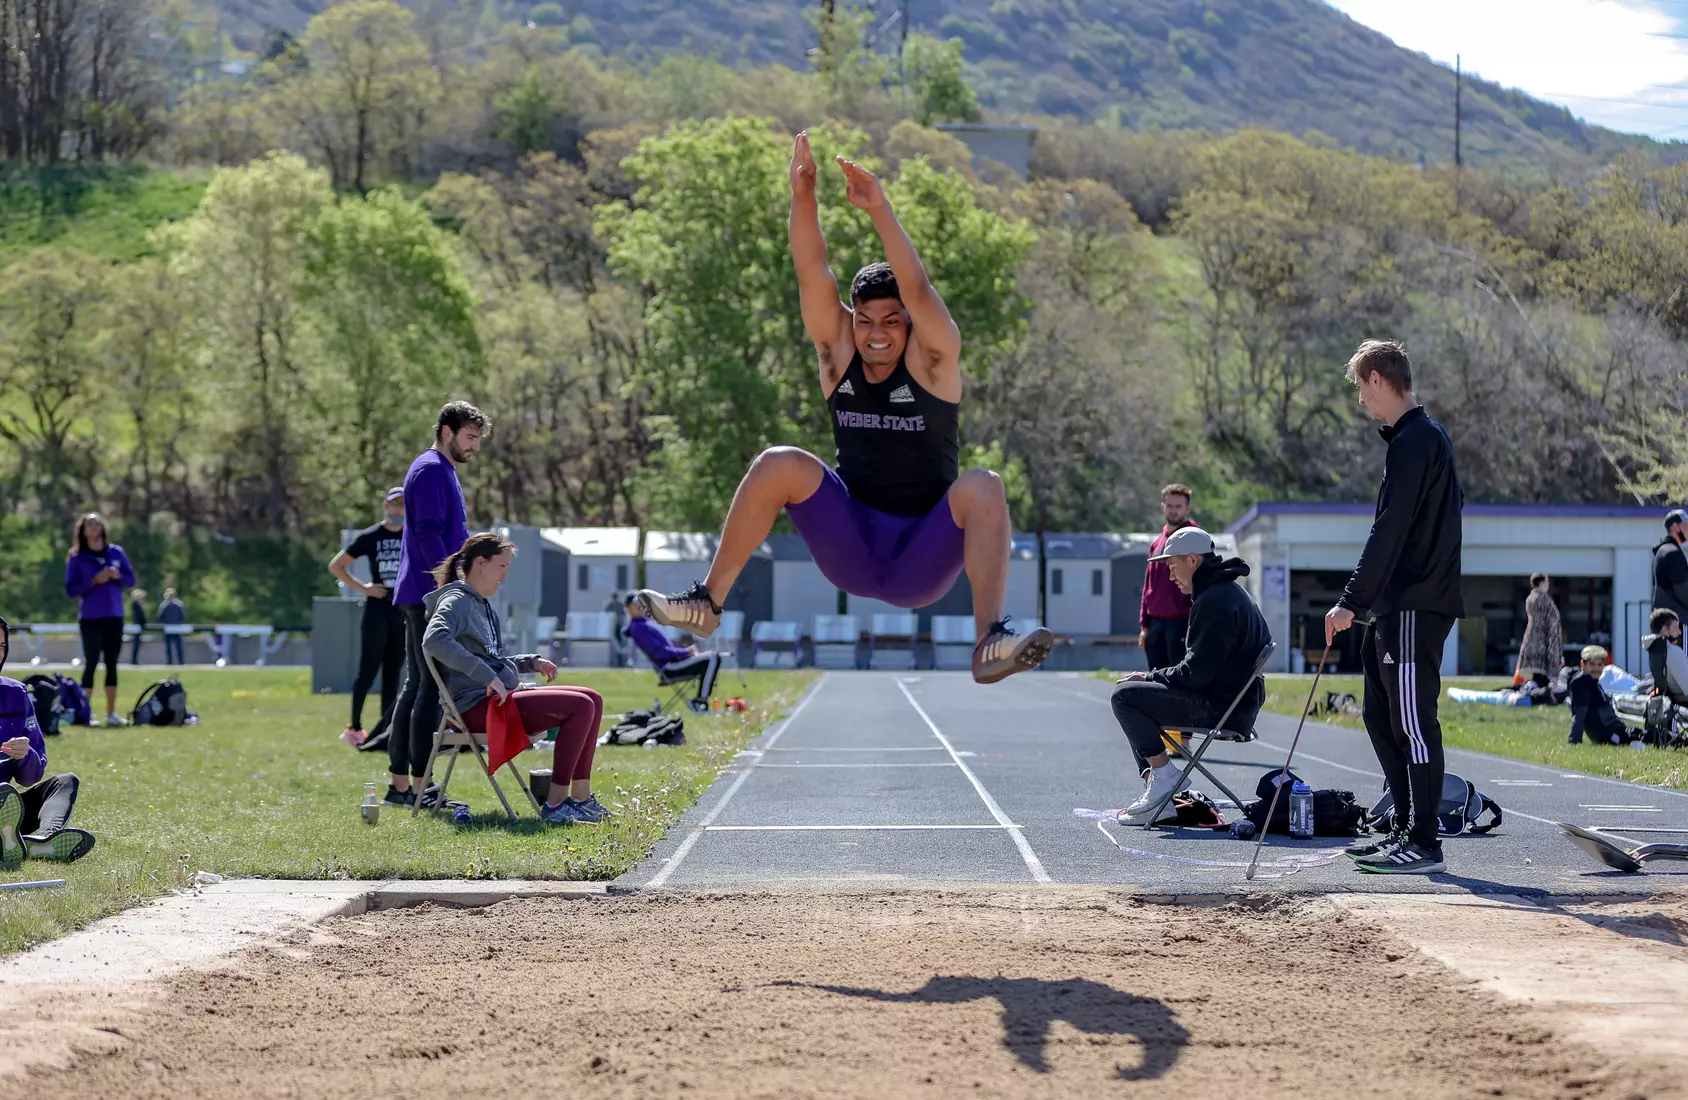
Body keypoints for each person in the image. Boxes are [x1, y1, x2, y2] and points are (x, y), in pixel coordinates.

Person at [633, 133, 1052, 685]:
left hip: (918, 559)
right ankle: (708, 603)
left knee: (985, 485)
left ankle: (988, 641)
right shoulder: (837, 355)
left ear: (909, 324)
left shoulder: (933, 363)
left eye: (891, 321)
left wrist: (880, 210)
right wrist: (802, 194)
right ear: (852, 318)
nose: (876, 334)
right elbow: (812, 271)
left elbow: (920, 289)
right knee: (780, 461)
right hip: (851, 542)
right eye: (865, 320)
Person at [1324, 340, 1463, 876]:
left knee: (1412, 720)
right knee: (1382, 718)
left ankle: (1425, 842)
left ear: (1379, 379)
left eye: (1361, 388)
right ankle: (1405, 826)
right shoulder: (1408, 440)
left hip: (1414, 606)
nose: (1361, 400)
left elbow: (1390, 531)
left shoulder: (1418, 441)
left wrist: (1350, 602)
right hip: (1391, 608)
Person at [422, 533, 609, 825]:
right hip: (475, 709)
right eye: (502, 566)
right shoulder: (457, 601)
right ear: (481, 563)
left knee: (593, 699)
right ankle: (557, 805)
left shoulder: (481, 605)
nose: (506, 575)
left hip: (495, 700)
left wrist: (529, 662)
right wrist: (486, 676)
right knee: (581, 705)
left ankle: (581, 799)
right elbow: (434, 640)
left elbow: (492, 659)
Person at [1110, 528, 1271, 819]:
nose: (1171, 576)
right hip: (1232, 702)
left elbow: (1195, 674)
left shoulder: (1215, 600)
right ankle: (1161, 789)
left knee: (1126, 697)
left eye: (1173, 566)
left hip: (1223, 708)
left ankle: (1163, 781)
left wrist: (1149, 677)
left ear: (1193, 560)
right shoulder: (1226, 591)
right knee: (1135, 693)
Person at [384, 403, 486, 808]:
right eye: (470, 438)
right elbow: (427, 534)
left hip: (422, 590)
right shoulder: (430, 469)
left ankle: (403, 786)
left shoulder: (442, 470)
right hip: (425, 592)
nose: (475, 447)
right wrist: (447, 588)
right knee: (427, 688)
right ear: (447, 431)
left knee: (419, 686)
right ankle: (415, 787)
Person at [0, 616, 96, 864]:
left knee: (64, 781)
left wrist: (26, 755)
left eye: (0, 646)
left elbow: (30, 777)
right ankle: (11, 842)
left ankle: (47, 840)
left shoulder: (16, 693)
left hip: (7, 804)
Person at [328, 487, 408, 749]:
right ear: (385, 507)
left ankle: (387, 729)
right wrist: (364, 588)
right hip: (377, 608)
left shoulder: (413, 536)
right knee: (368, 670)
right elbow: (336, 565)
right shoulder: (371, 536)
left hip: (403, 609)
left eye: (403, 506)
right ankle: (355, 727)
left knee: (393, 674)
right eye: (394, 505)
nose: (398, 511)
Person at [63, 513, 135, 728]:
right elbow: (71, 589)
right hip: (90, 617)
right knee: (91, 663)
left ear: (103, 528)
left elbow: (131, 579)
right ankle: (87, 713)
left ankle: (111, 713)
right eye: (89, 525)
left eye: (97, 524)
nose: (94, 527)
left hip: (114, 615)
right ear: (83, 531)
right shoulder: (77, 558)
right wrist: (94, 581)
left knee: (112, 663)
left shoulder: (116, 552)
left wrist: (116, 576)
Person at [624, 594, 720, 713]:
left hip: (674, 663)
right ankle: (700, 702)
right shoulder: (638, 627)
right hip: (669, 668)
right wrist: (686, 652)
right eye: (635, 603)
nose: (639, 605)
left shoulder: (646, 622)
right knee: (713, 658)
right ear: (628, 609)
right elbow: (660, 653)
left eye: (640, 602)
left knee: (710, 658)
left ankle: (701, 701)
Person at [1138, 484, 1196, 670]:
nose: (1173, 511)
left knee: (1179, 683)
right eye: (1169, 506)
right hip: (1156, 625)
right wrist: (1144, 626)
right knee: (1156, 680)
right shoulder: (1157, 543)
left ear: (1187, 508)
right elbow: (1148, 586)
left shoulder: (1194, 538)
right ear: (1162, 506)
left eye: (1178, 506)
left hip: (1181, 624)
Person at [1568, 644, 1630, 746]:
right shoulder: (1581, 683)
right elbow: (1579, 714)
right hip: (1607, 734)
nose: (1596, 669)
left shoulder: (1592, 681)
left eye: (1600, 665)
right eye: (1592, 664)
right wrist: (1574, 740)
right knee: (1642, 738)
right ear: (1583, 664)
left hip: (1612, 729)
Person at [1515, 573, 1562, 687]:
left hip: (1531, 635)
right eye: (1547, 582)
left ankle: (1532, 685)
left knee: (1533, 667)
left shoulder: (1530, 598)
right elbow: (1552, 618)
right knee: (1541, 669)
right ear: (1542, 582)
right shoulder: (1544, 598)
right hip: (1544, 636)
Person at [1644, 608, 1688, 704]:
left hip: (1669, 699)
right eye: (1676, 627)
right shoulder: (1673, 651)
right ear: (1664, 630)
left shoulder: (1653, 648)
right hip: (1682, 701)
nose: (1680, 632)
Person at [1653, 510, 1688, 625]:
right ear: (1676, 527)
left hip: (1665, 623)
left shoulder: (1661, 551)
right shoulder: (1673, 553)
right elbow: (1684, 592)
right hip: (1678, 624)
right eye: (1686, 525)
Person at [157, 588, 187, 665]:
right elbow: (160, 617)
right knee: (169, 647)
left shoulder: (178, 605)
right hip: (168, 628)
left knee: (179, 646)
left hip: (176, 628)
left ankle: (180, 662)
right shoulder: (164, 605)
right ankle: (170, 661)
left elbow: (182, 616)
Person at [603, 590, 627, 667]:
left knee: (618, 645)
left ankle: (619, 662)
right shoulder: (610, 605)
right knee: (616, 645)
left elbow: (623, 615)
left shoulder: (618, 605)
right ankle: (616, 662)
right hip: (612, 628)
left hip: (617, 628)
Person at [128, 588, 148, 666]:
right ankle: (134, 660)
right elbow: (139, 616)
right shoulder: (135, 605)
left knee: (137, 644)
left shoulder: (139, 605)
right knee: (135, 644)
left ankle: (134, 660)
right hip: (137, 626)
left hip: (139, 626)